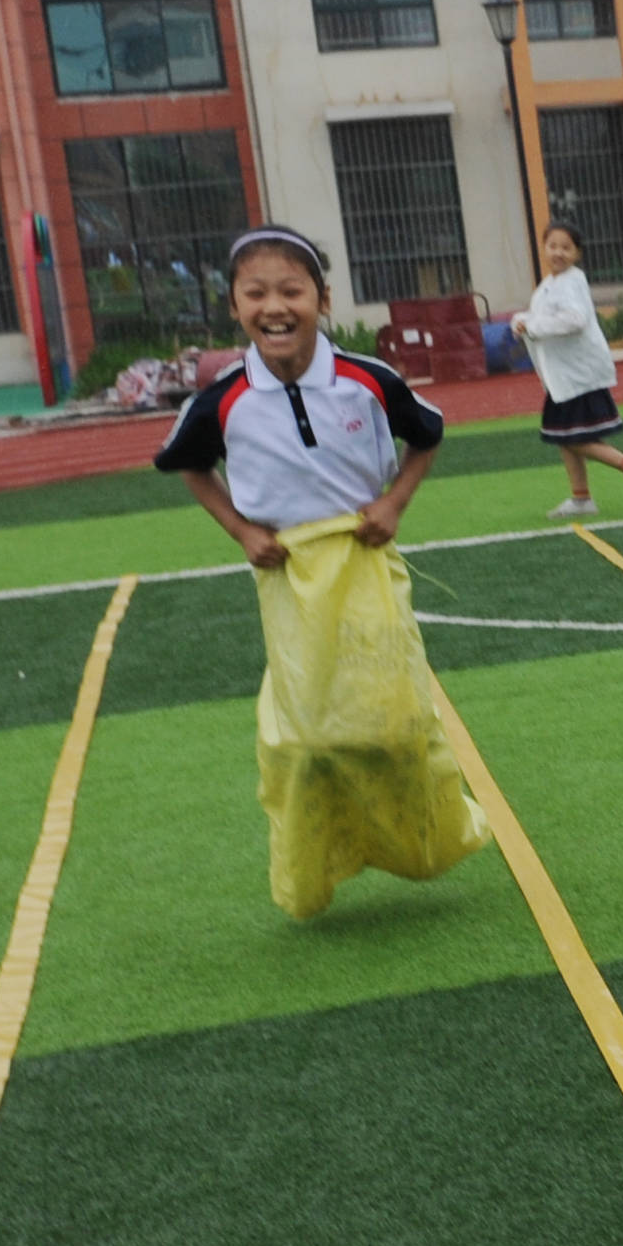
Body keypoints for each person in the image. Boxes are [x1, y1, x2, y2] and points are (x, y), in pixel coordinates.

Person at [152, 226, 490, 917]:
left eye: (291, 290)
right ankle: (320, 860)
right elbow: (188, 464)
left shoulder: (368, 381)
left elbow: (426, 436)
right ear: (234, 306)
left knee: (395, 723)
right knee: (307, 738)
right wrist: (242, 530)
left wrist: (393, 503)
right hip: (288, 577)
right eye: (256, 293)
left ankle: (425, 841)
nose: (275, 307)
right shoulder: (223, 400)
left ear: (322, 300)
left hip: (364, 565)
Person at [516, 218, 623, 521]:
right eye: (552, 246)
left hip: (577, 375)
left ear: (577, 253)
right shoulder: (550, 285)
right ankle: (581, 498)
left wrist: (533, 327)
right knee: (563, 435)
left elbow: (575, 320)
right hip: (563, 378)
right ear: (543, 248)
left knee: (573, 438)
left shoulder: (572, 282)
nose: (558, 252)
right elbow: (540, 316)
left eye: (566, 247)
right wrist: (522, 321)